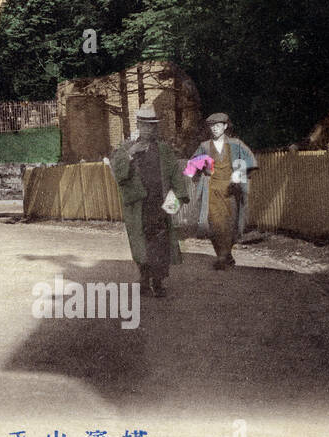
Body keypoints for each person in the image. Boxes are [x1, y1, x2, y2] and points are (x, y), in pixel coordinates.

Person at [108, 107, 190, 297]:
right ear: (137, 125)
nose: (148, 130)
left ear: (156, 128)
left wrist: (177, 198)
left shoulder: (163, 149)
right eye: (144, 125)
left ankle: (158, 282)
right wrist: (130, 154)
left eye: (152, 126)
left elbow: (175, 175)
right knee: (141, 243)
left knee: (160, 243)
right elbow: (118, 174)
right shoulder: (126, 147)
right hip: (138, 205)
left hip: (159, 203)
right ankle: (144, 279)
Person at [191, 112, 258, 270]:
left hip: (231, 191)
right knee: (215, 224)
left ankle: (226, 254)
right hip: (212, 190)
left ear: (225, 127)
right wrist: (199, 170)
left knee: (230, 224)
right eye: (212, 126)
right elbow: (192, 167)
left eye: (218, 125)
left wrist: (239, 173)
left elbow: (250, 162)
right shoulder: (205, 146)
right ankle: (222, 255)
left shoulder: (236, 144)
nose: (214, 129)